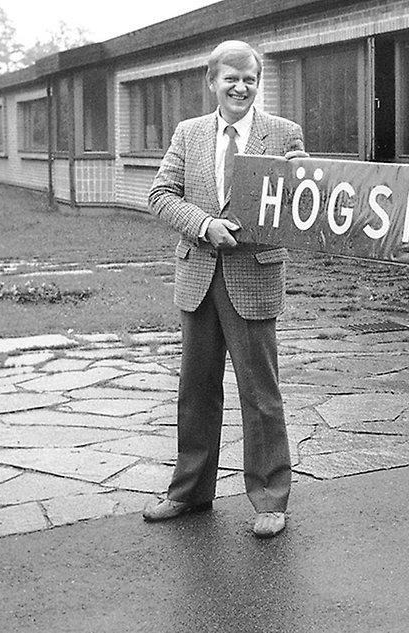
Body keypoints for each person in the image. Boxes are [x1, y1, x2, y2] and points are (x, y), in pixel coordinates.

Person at [143, 40, 307, 538]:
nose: (240, 87)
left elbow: (306, 195)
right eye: (230, 78)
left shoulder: (283, 133)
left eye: (249, 79)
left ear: (259, 83)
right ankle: (189, 493)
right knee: (195, 391)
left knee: (261, 393)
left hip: (253, 276)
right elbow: (160, 193)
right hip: (198, 275)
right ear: (211, 81)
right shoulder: (188, 133)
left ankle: (270, 499)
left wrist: (309, 179)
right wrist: (203, 225)